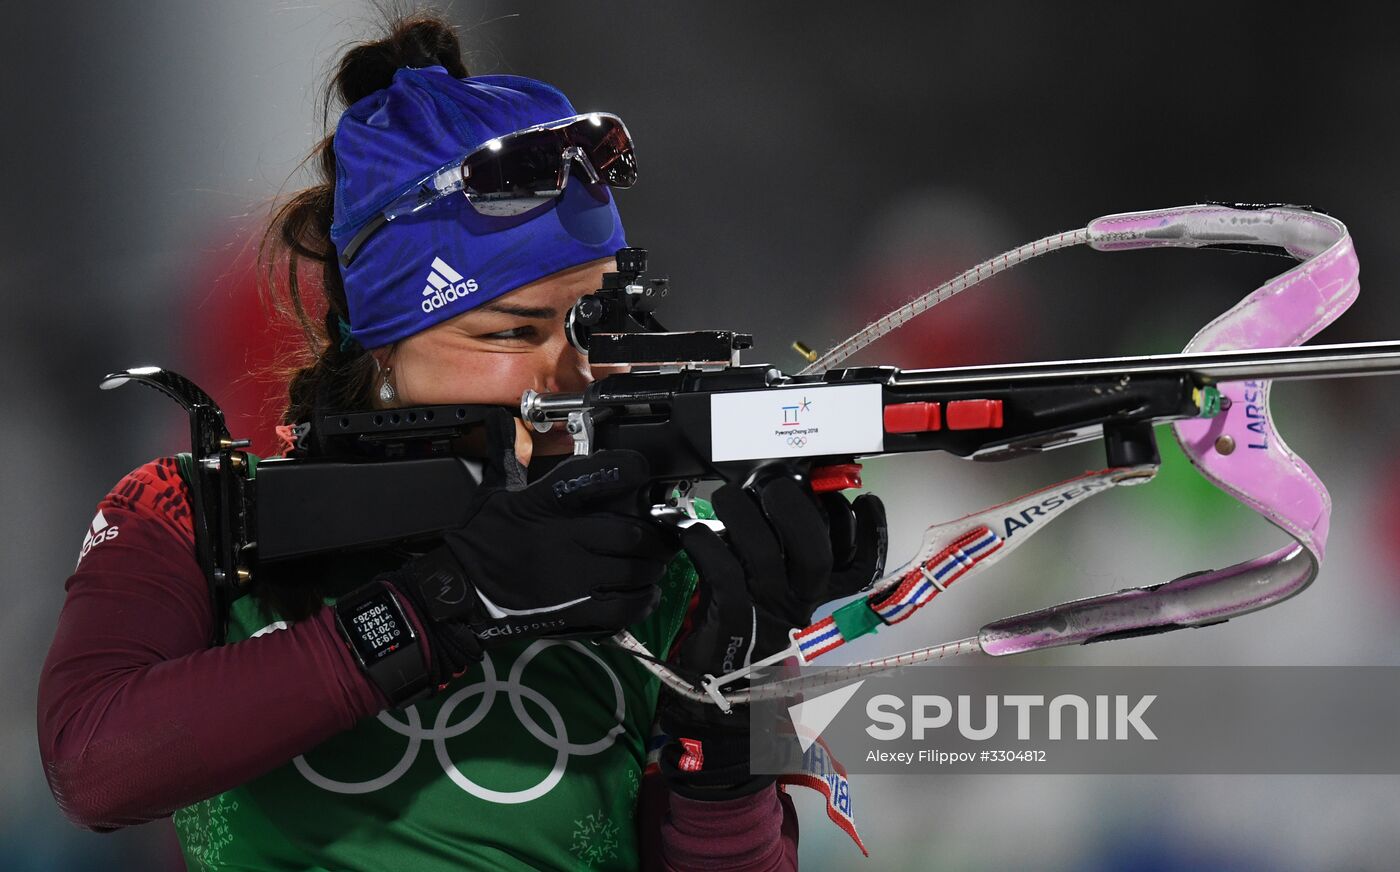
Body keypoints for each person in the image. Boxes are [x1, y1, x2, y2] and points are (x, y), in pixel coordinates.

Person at [37, 13, 884, 871]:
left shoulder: (661, 553)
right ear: (379, 344)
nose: (571, 375)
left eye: (600, 330)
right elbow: (92, 768)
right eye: (512, 335)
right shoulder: (192, 513)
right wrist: (450, 602)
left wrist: (738, 730)